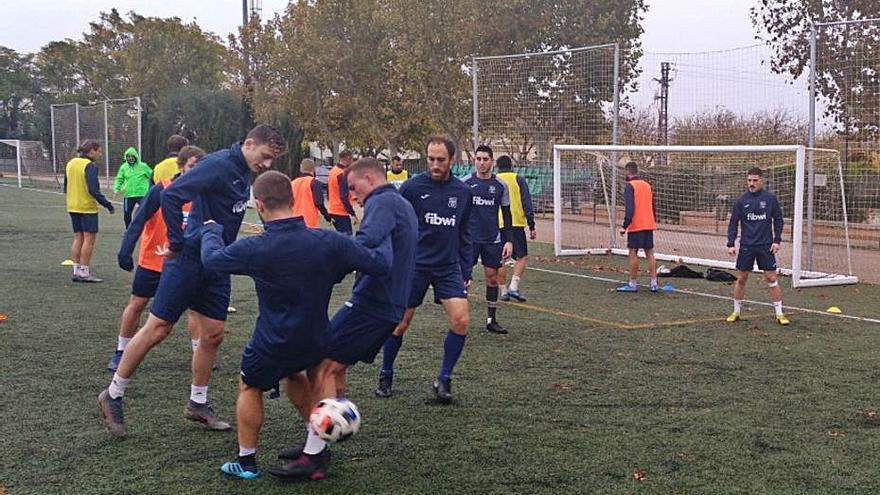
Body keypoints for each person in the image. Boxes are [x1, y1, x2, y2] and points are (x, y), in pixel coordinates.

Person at [199, 170, 392, 480]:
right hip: (315, 338)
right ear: (292, 199)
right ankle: (315, 446)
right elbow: (379, 264)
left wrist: (210, 230)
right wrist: (387, 232)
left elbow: (212, 260)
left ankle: (246, 462)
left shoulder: (256, 247)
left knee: (249, 386)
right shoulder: (328, 241)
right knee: (295, 376)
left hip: (273, 340)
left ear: (259, 206)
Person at [97, 125, 286, 438]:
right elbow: (171, 195)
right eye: (265, 156)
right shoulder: (217, 164)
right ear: (249, 143)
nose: (266, 164)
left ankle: (197, 403)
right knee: (158, 329)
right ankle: (113, 394)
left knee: (213, 334)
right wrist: (177, 241)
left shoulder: (242, 169)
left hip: (216, 262)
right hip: (188, 261)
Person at [275, 157, 417, 476]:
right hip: (383, 302)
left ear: (370, 178)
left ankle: (315, 456)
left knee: (321, 364)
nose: (352, 195)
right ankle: (320, 440)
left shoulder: (382, 202)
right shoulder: (399, 202)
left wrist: (325, 266)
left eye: (353, 188)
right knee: (331, 368)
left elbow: (364, 246)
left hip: (374, 302)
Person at [375, 135, 472, 403]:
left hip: (448, 267)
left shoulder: (463, 192)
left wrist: (467, 270)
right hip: (413, 266)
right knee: (400, 324)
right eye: (431, 159)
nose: (435, 164)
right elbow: (395, 225)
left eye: (441, 160)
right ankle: (386, 372)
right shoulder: (411, 188)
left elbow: (464, 233)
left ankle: (443, 379)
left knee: (461, 320)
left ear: (452, 160)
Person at [106, 146, 205, 373]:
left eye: (201, 167)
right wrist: (125, 251)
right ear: (180, 166)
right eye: (192, 166)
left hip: (186, 263)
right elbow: (138, 221)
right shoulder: (161, 190)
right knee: (137, 303)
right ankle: (121, 350)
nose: (197, 171)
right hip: (155, 261)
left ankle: (199, 352)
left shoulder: (204, 194)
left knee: (195, 310)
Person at [725, 167, 790, 326]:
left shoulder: (770, 199)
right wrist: (731, 243)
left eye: (755, 180)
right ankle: (736, 311)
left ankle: (779, 313)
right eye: (749, 181)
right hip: (747, 245)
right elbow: (733, 222)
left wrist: (777, 240)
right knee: (741, 278)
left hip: (766, 246)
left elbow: (779, 220)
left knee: (772, 278)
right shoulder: (741, 201)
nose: (752, 184)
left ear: (761, 181)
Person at [462, 145, 513, 334]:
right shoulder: (465, 183)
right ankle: (461, 320)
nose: (481, 162)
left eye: (485, 159)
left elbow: (507, 215)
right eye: (478, 159)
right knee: (464, 280)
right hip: (469, 240)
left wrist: (509, 241)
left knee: (492, 278)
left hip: (492, 239)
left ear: (492, 161)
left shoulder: (501, 185)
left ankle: (491, 319)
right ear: (474, 160)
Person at [64, 139, 115, 283]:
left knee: (77, 237)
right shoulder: (90, 165)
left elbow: (66, 187)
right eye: (99, 151)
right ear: (91, 151)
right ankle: (84, 272)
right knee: (89, 239)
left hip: (72, 205)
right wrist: (107, 204)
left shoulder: (71, 163)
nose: (100, 154)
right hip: (87, 207)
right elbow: (94, 190)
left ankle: (76, 271)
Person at [495, 156, 535, 302]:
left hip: (497, 224)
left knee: (499, 259)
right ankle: (513, 286)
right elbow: (527, 202)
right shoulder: (518, 179)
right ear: (511, 165)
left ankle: (503, 291)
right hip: (515, 223)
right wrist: (531, 224)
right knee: (521, 256)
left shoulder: (493, 180)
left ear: (497, 166)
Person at [616, 161, 659, 292]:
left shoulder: (630, 186)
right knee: (649, 252)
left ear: (628, 172)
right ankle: (653, 283)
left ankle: (633, 283)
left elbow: (630, 207)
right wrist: (653, 220)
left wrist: (625, 225)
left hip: (637, 224)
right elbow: (653, 205)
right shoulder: (646, 185)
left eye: (624, 171)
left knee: (632, 252)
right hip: (649, 223)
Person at [113, 147, 152, 228]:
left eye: (132, 156)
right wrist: (116, 188)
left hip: (142, 194)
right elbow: (119, 179)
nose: (130, 158)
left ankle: (146, 228)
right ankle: (129, 229)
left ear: (135, 156)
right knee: (127, 213)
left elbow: (152, 175)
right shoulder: (123, 167)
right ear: (126, 157)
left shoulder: (143, 166)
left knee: (145, 212)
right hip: (129, 194)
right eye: (128, 156)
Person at [291, 158, 332, 228]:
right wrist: (327, 217)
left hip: (294, 221)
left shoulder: (293, 183)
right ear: (313, 169)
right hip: (309, 221)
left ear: (301, 168)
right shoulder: (315, 183)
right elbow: (319, 203)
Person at [326, 150, 358, 234]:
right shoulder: (342, 174)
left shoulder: (333, 171)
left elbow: (328, 190)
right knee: (347, 240)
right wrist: (352, 213)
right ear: (347, 159)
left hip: (333, 209)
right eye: (352, 159)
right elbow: (344, 196)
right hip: (341, 212)